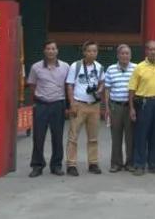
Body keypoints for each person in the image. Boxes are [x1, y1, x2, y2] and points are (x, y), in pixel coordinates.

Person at [27, 40, 70, 177]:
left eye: (53, 49)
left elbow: (68, 86)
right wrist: (38, 99)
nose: (51, 51)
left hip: (58, 104)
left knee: (57, 136)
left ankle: (56, 165)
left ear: (57, 51)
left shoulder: (65, 67)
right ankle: (37, 165)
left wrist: (68, 106)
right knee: (38, 137)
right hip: (41, 105)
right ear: (44, 51)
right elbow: (32, 85)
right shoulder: (36, 67)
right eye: (48, 49)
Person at [64, 41, 104, 176]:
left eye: (95, 51)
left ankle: (93, 163)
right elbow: (69, 85)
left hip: (94, 105)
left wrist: (99, 90)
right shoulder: (76, 66)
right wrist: (72, 103)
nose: (92, 53)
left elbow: (102, 83)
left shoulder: (99, 67)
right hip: (79, 104)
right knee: (73, 136)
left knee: (93, 137)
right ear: (84, 52)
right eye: (89, 51)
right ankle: (71, 164)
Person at [129, 40, 155, 176]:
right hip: (143, 103)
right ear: (146, 51)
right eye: (149, 49)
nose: (152, 52)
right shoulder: (139, 67)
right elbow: (132, 89)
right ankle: (139, 164)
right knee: (141, 135)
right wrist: (132, 108)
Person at [103, 44, 136, 173]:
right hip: (115, 106)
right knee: (116, 136)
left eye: (127, 53)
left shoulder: (136, 68)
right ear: (117, 55)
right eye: (122, 53)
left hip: (130, 107)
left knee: (131, 137)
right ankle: (116, 163)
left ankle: (130, 163)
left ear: (130, 55)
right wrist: (107, 108)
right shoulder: (111, 69)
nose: (125, 56)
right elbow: (107, 90)